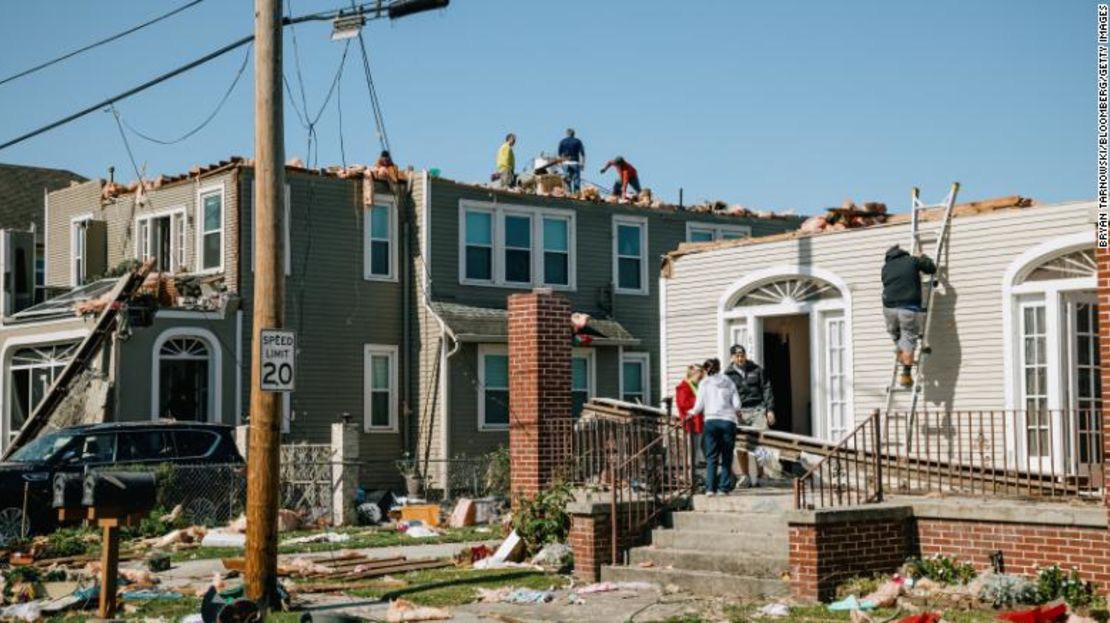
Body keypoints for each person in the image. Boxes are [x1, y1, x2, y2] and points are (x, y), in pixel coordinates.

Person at [882, 245, 938, 387]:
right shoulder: (912, 261)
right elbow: (931, 268)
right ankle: (906, 375)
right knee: (908, 339)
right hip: (908, 307)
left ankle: (900, 351)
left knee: (896, 335)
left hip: (889, 308)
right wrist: (922, 257)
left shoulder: (885, 268)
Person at [725, 344, 775, 487]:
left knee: (761, 443)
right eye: (737, 356)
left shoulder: (756, 369)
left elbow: (767, 389)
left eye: (742, 355)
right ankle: (745, 476)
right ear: (732, 357)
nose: (740, 358)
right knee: (741, 445)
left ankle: (761, 476)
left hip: (757, 409)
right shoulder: (727, 375)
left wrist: (770, 410)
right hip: (740, 413)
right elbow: (726, 396)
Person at [689, 358, 741, 496]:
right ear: (719, 368)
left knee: (711, 456)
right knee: (727, 456)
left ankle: (710, 488)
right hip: (728, 421)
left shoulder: (704, 383)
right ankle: (724, 488)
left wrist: (691, 413)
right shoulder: (729, 381)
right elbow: (737, 405)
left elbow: (698, 406)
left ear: (706, 370)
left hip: (711, 421)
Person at [674, 363, 706, 466]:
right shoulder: (683, 387)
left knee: (699, 450)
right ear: (693, 374)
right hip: (691, 423)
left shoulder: (698, 386)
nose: (701, 378)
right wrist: (700, 401)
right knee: (692, 450)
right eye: (699, 376)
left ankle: (696, 473)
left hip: (701, 422)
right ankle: (690, 476)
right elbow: (683, 403)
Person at [558, 128, 586, 193]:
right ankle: (576, 194)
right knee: (576, 179)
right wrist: (583, 164)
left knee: (567, 180)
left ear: (567, 134)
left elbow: (559, 154)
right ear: (574, 134)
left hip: (566, 163)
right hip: (575, 162)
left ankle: (568, 194)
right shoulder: (578, 141)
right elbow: (583, 154)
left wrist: (561, 163)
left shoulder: (562, 141)